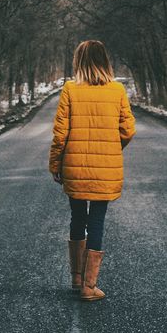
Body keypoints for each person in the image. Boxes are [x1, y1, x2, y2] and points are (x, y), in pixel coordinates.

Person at [48, 39, 136, 301]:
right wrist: (113, 146)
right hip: (105, 168)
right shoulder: (117, 90)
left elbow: (60, 134)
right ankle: (89, 286)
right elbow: (128, 129)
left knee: (77, 217)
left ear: (79, 61)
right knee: (96, 220)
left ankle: (76, 278)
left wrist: (55, 164)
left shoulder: (70, 90)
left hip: (74, 166)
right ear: (104, 61)